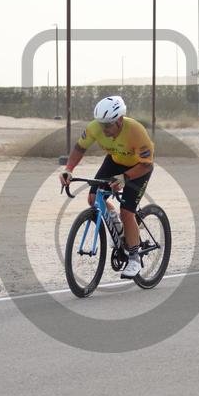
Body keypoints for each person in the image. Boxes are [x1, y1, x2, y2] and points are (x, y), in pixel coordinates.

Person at [60, 95, 154, 278]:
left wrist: (125, 178)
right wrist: (68, 169)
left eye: (108, 125)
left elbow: (147, 165)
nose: (104, 130)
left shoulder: (136, 131)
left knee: (127, 212)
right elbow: (80, 148)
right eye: (101, 124)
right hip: (115, 161)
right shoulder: (95, 127)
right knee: (93, 199)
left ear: (120, 120)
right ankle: (116, 225)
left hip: (138, 168)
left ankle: (134, 258)